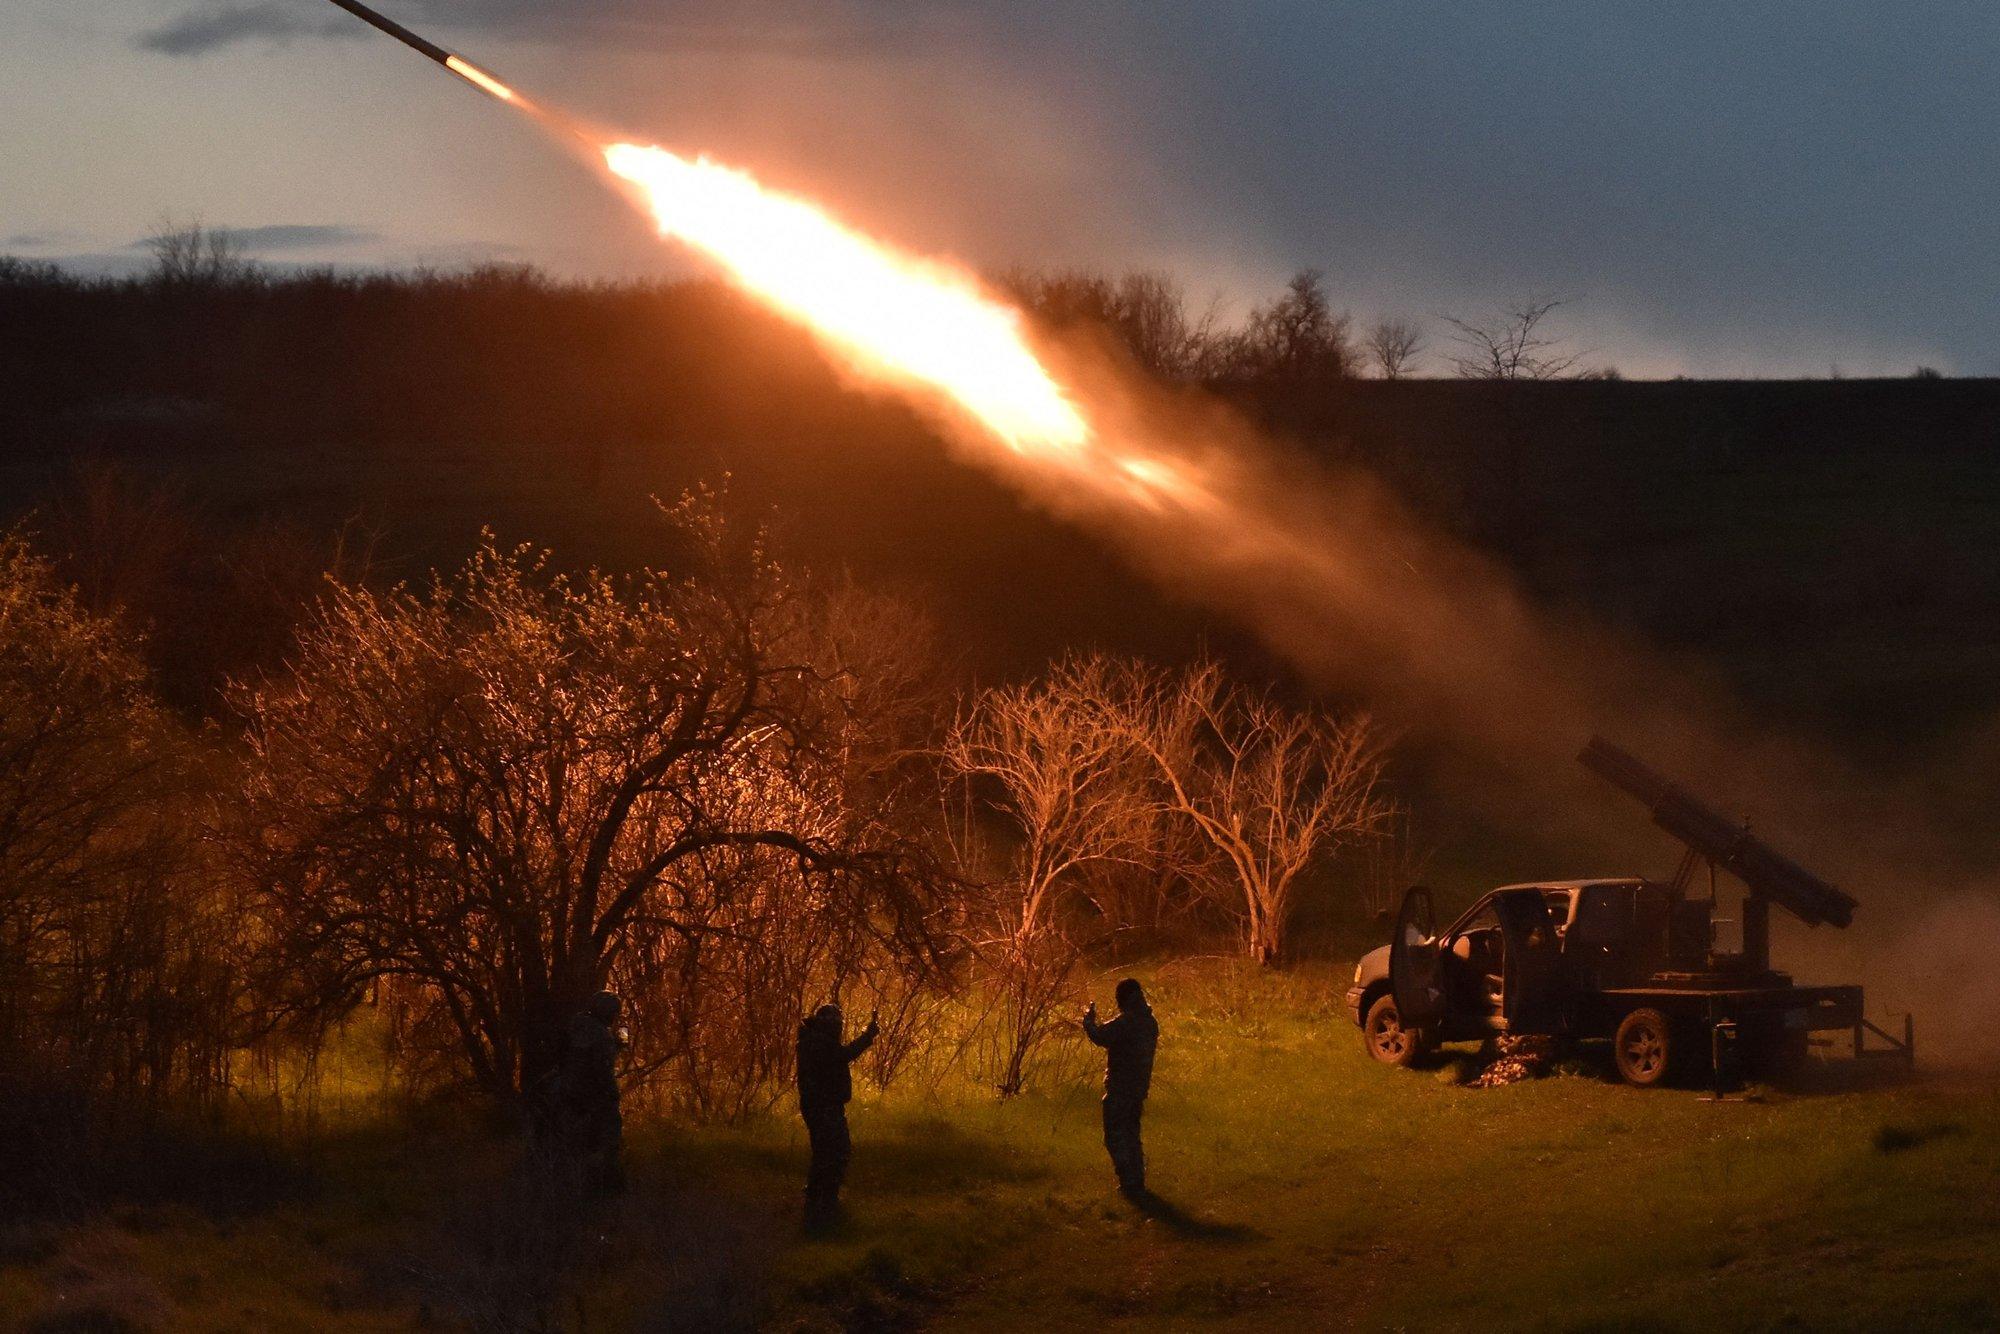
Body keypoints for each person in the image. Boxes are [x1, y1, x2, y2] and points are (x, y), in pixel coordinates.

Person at [795, 1002, 878, 1231]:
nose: (838, 1028)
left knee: (826, 1152)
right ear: (828, 1025)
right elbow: (844, 1055)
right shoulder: (818, 1044)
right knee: (836, 1151)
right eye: (836, 1024)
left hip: (820, 1106)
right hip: (824, 1107)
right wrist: (868, 1036)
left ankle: (818, 1200)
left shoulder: (811, 1041)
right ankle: (823, 1202)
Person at [1083, 977, 1158, 1199]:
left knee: (1115, 1137)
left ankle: (1129, 1182)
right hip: (1138, 1090)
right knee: (1132, 1135)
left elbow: (1099, 1036)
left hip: (1119, 1090)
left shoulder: (1126, 1023)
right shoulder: (1150, 1022)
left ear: (1123, 999)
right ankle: (1136, 1182)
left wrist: (1088, 1021)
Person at [558, 990, 626, 1194]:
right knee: (608, 1138)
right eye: (614, 1013)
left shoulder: (576, 1025)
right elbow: (602, 1071)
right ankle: (605, 1184)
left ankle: (573, 1184)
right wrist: (613, 1094)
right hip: (594, 1096)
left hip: (568, 1092)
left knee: (576, 1142)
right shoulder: (602, 1036)